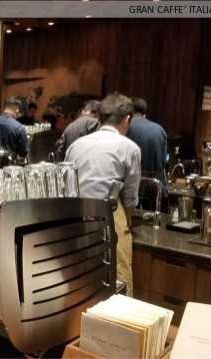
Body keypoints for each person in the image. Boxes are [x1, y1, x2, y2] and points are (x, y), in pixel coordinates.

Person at [65, 93, 140, 296]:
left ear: (100, 118)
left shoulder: (76, 146)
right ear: (127, 119)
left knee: (81, 277)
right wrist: (129, 222)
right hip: (109, 214)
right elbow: (131, 198)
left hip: (75, 216)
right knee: (118, 278)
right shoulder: (130, 148)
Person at [126, 97, 168, 184]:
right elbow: (164, 162)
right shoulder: (159, 129)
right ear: (144, 113)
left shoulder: (125, 126)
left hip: (131, 184)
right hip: (155, 186)